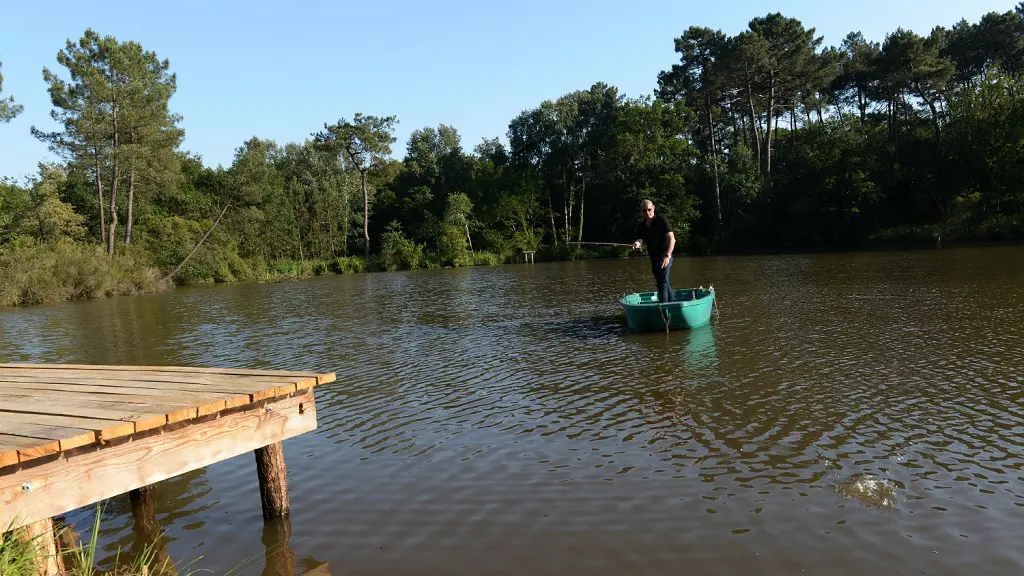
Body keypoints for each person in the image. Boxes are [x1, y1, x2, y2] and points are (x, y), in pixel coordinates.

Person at [631, 199, 676, 302]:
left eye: (649, 209)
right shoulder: (641, 226)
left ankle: (663, 311)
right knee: (662, 282)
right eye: (644, 210)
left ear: (654, 208)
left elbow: (672, 239)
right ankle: (673, 302)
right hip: (654, 257)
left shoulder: (661, 220)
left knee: (662, 284)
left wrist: (668, 256)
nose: (647, 212)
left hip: (665, 255)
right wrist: (637, 244)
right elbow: (640, 240)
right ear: (641, 211)